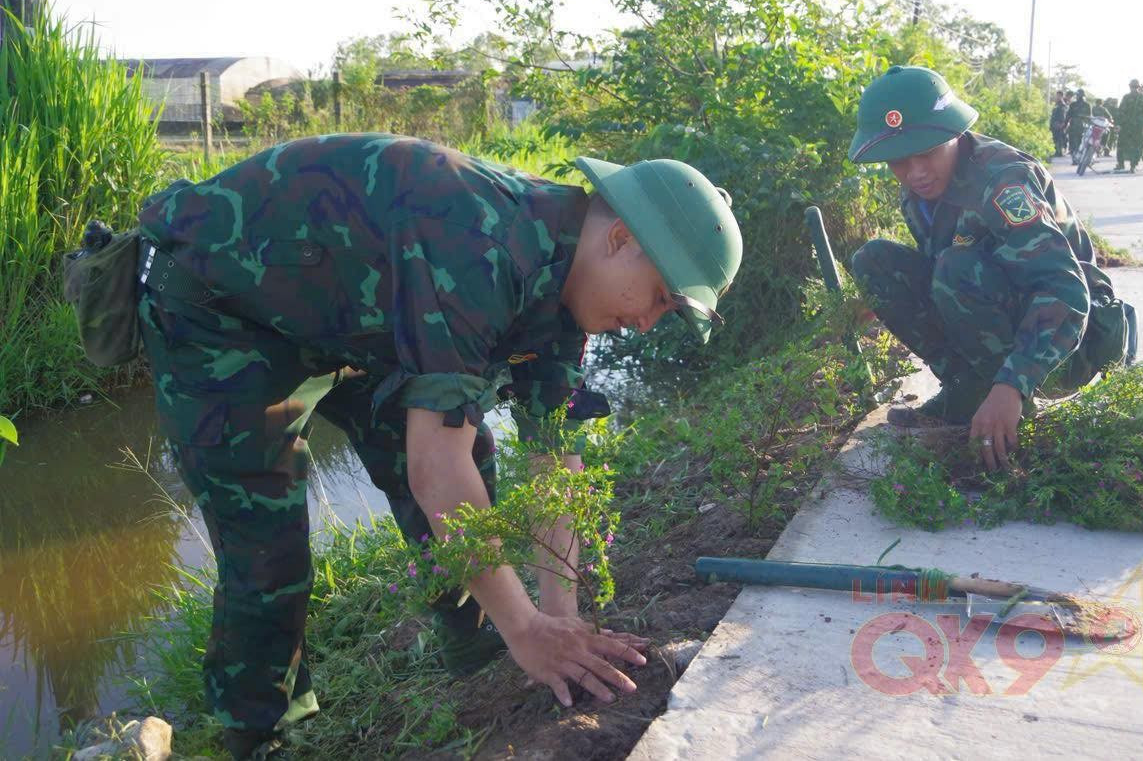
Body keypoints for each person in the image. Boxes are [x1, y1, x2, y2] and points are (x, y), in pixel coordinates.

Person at [129, 135, 742, 758]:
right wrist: (527, 626)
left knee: (468, 464)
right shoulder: (479, 246)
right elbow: (434, 467)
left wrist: (562, 612)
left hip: (351, 319)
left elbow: (556, 461)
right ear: (620, 240)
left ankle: (481, 652)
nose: (647, 323)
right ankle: (259, 735)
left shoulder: (568, 284)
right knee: (267, 547)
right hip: (219, 308)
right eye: (661, 298)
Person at [846, 66, 1132, 470]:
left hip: (1067, 347)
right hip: (1009, 318)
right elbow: (940, 284)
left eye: (926, 152)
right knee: (874, 262)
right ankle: (968, 388)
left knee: (956, 267)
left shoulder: (1002, 184)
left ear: (952, 135)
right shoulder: (919, 192)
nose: (915, 172)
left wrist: (1012, 385)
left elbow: (1065, 291)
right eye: (898, 161)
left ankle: (1005, 402)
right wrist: (887, 302)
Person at [1115, 79, 1143, 173]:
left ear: (1130, 86)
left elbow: (1120, 111)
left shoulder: (1126, 97)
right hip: (1138, 126)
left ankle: (1121, 164)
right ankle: (1133, 165)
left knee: (1121, 144)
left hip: (1126, 125)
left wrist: (1119, 124)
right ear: (1138, 87)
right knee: (1137, 145)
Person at [1066, 89, 1092, 164]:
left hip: (1080, 126)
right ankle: (1076, 159)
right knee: (1077, 143)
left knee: (1078, 143)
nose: (1078, 97)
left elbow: (1068, 116)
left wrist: (1065, 125)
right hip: (1078, 126)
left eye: (1078, 95)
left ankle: (1077, 159)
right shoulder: (1075, 105)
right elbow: (1068, 116)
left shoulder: (1084, 105)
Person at [1050, 91, 1068, 158]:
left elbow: (1063, 115)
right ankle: (1057, 151)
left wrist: (1061, 124)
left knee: (1059, 138)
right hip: (1054, 123)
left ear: (1061, 96)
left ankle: (1059, 152)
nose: (1057, 97)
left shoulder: (1062, 105)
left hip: (1059, 124)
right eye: (1056, 95)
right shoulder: (1056, 104)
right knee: (1055, 138)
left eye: (1058, 95)